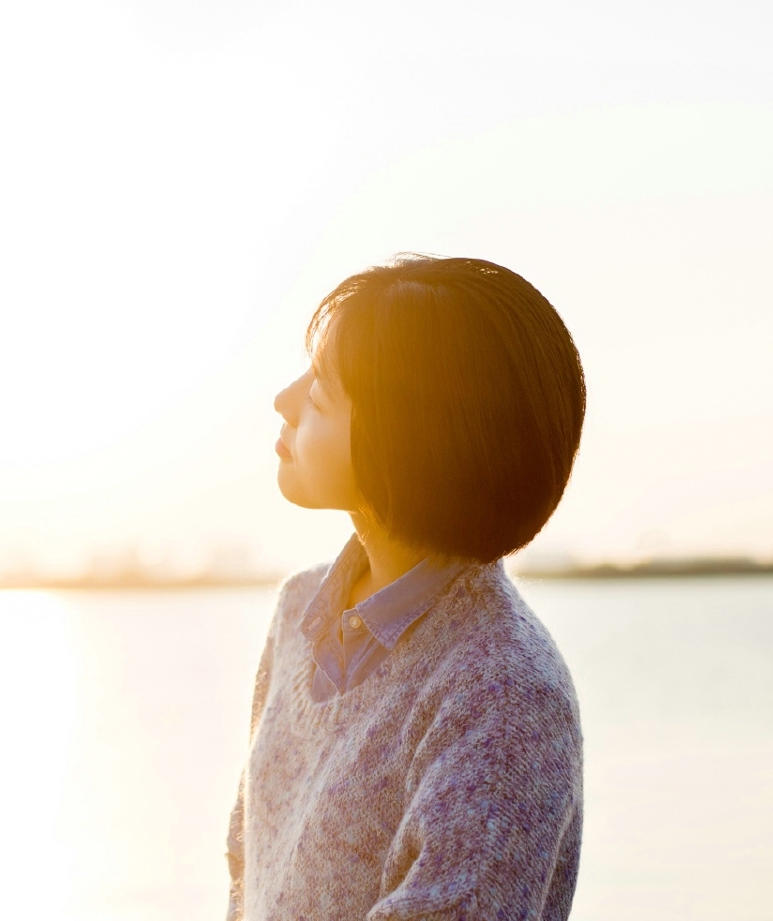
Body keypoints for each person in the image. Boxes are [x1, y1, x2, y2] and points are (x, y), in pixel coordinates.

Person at [227, 255, 586, 920]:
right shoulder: (299, 610)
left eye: (320, 394)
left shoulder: (504, 694)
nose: (284, 398)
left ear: (406, 441)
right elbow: (247, 872)